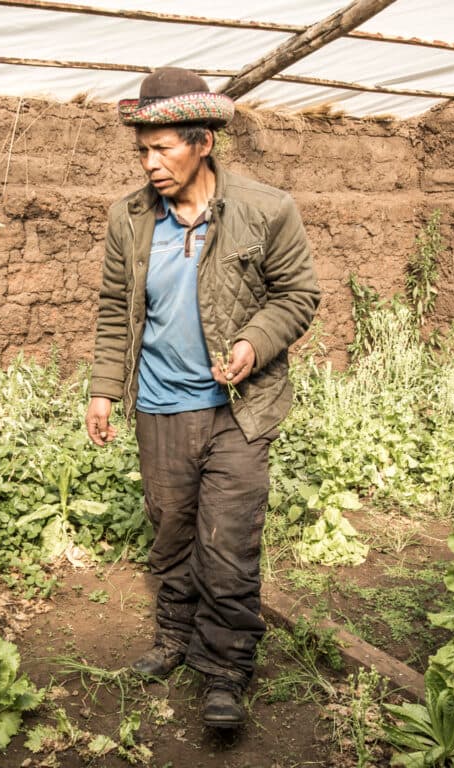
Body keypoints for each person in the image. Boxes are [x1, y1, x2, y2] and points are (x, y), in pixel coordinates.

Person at [85, 67, 320, 728]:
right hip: (161, 407)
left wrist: (252, 342)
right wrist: (104, 389)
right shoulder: (129, 219)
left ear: (203, 143)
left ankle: (224, 670)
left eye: (163, 149)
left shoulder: (266, 210)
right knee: (170, 532)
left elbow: (298, 295)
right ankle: (174, 638)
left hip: (238, 412)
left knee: (227, 544)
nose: (150, 163)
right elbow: (115, 310)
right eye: (142, 151)